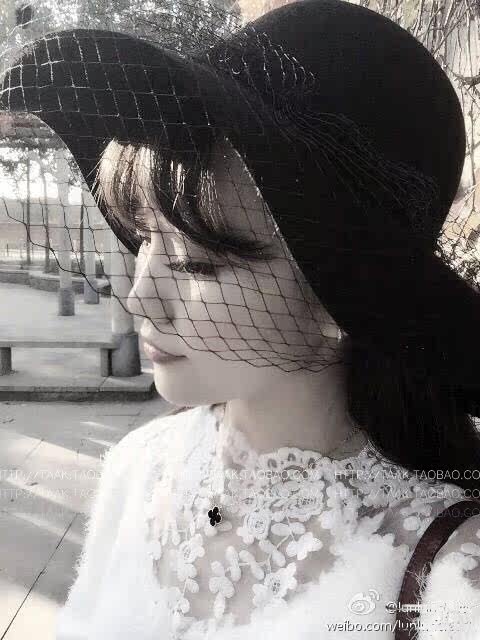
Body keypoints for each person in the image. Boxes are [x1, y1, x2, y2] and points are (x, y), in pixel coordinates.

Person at [1, 1, 480, 638]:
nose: (142, 298)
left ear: (343, 296)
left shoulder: (448, 577)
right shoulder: (140, 467)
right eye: (144, 237)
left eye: (198, 263)